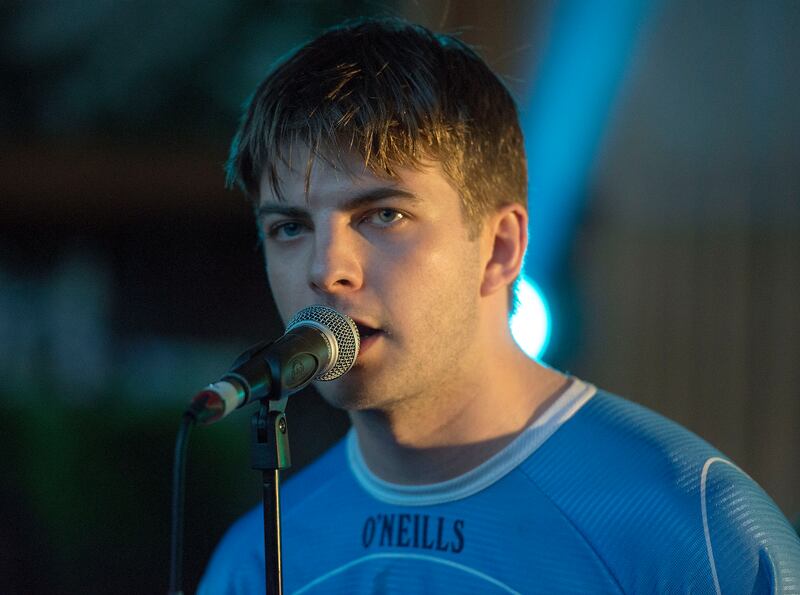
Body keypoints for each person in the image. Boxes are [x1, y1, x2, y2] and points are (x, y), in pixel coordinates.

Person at [199, 17, 800, 594]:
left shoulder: (695, 533)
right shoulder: (257, 559)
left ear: (501, 247)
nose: (326, 269)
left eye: (384, 215)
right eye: (289, 228)